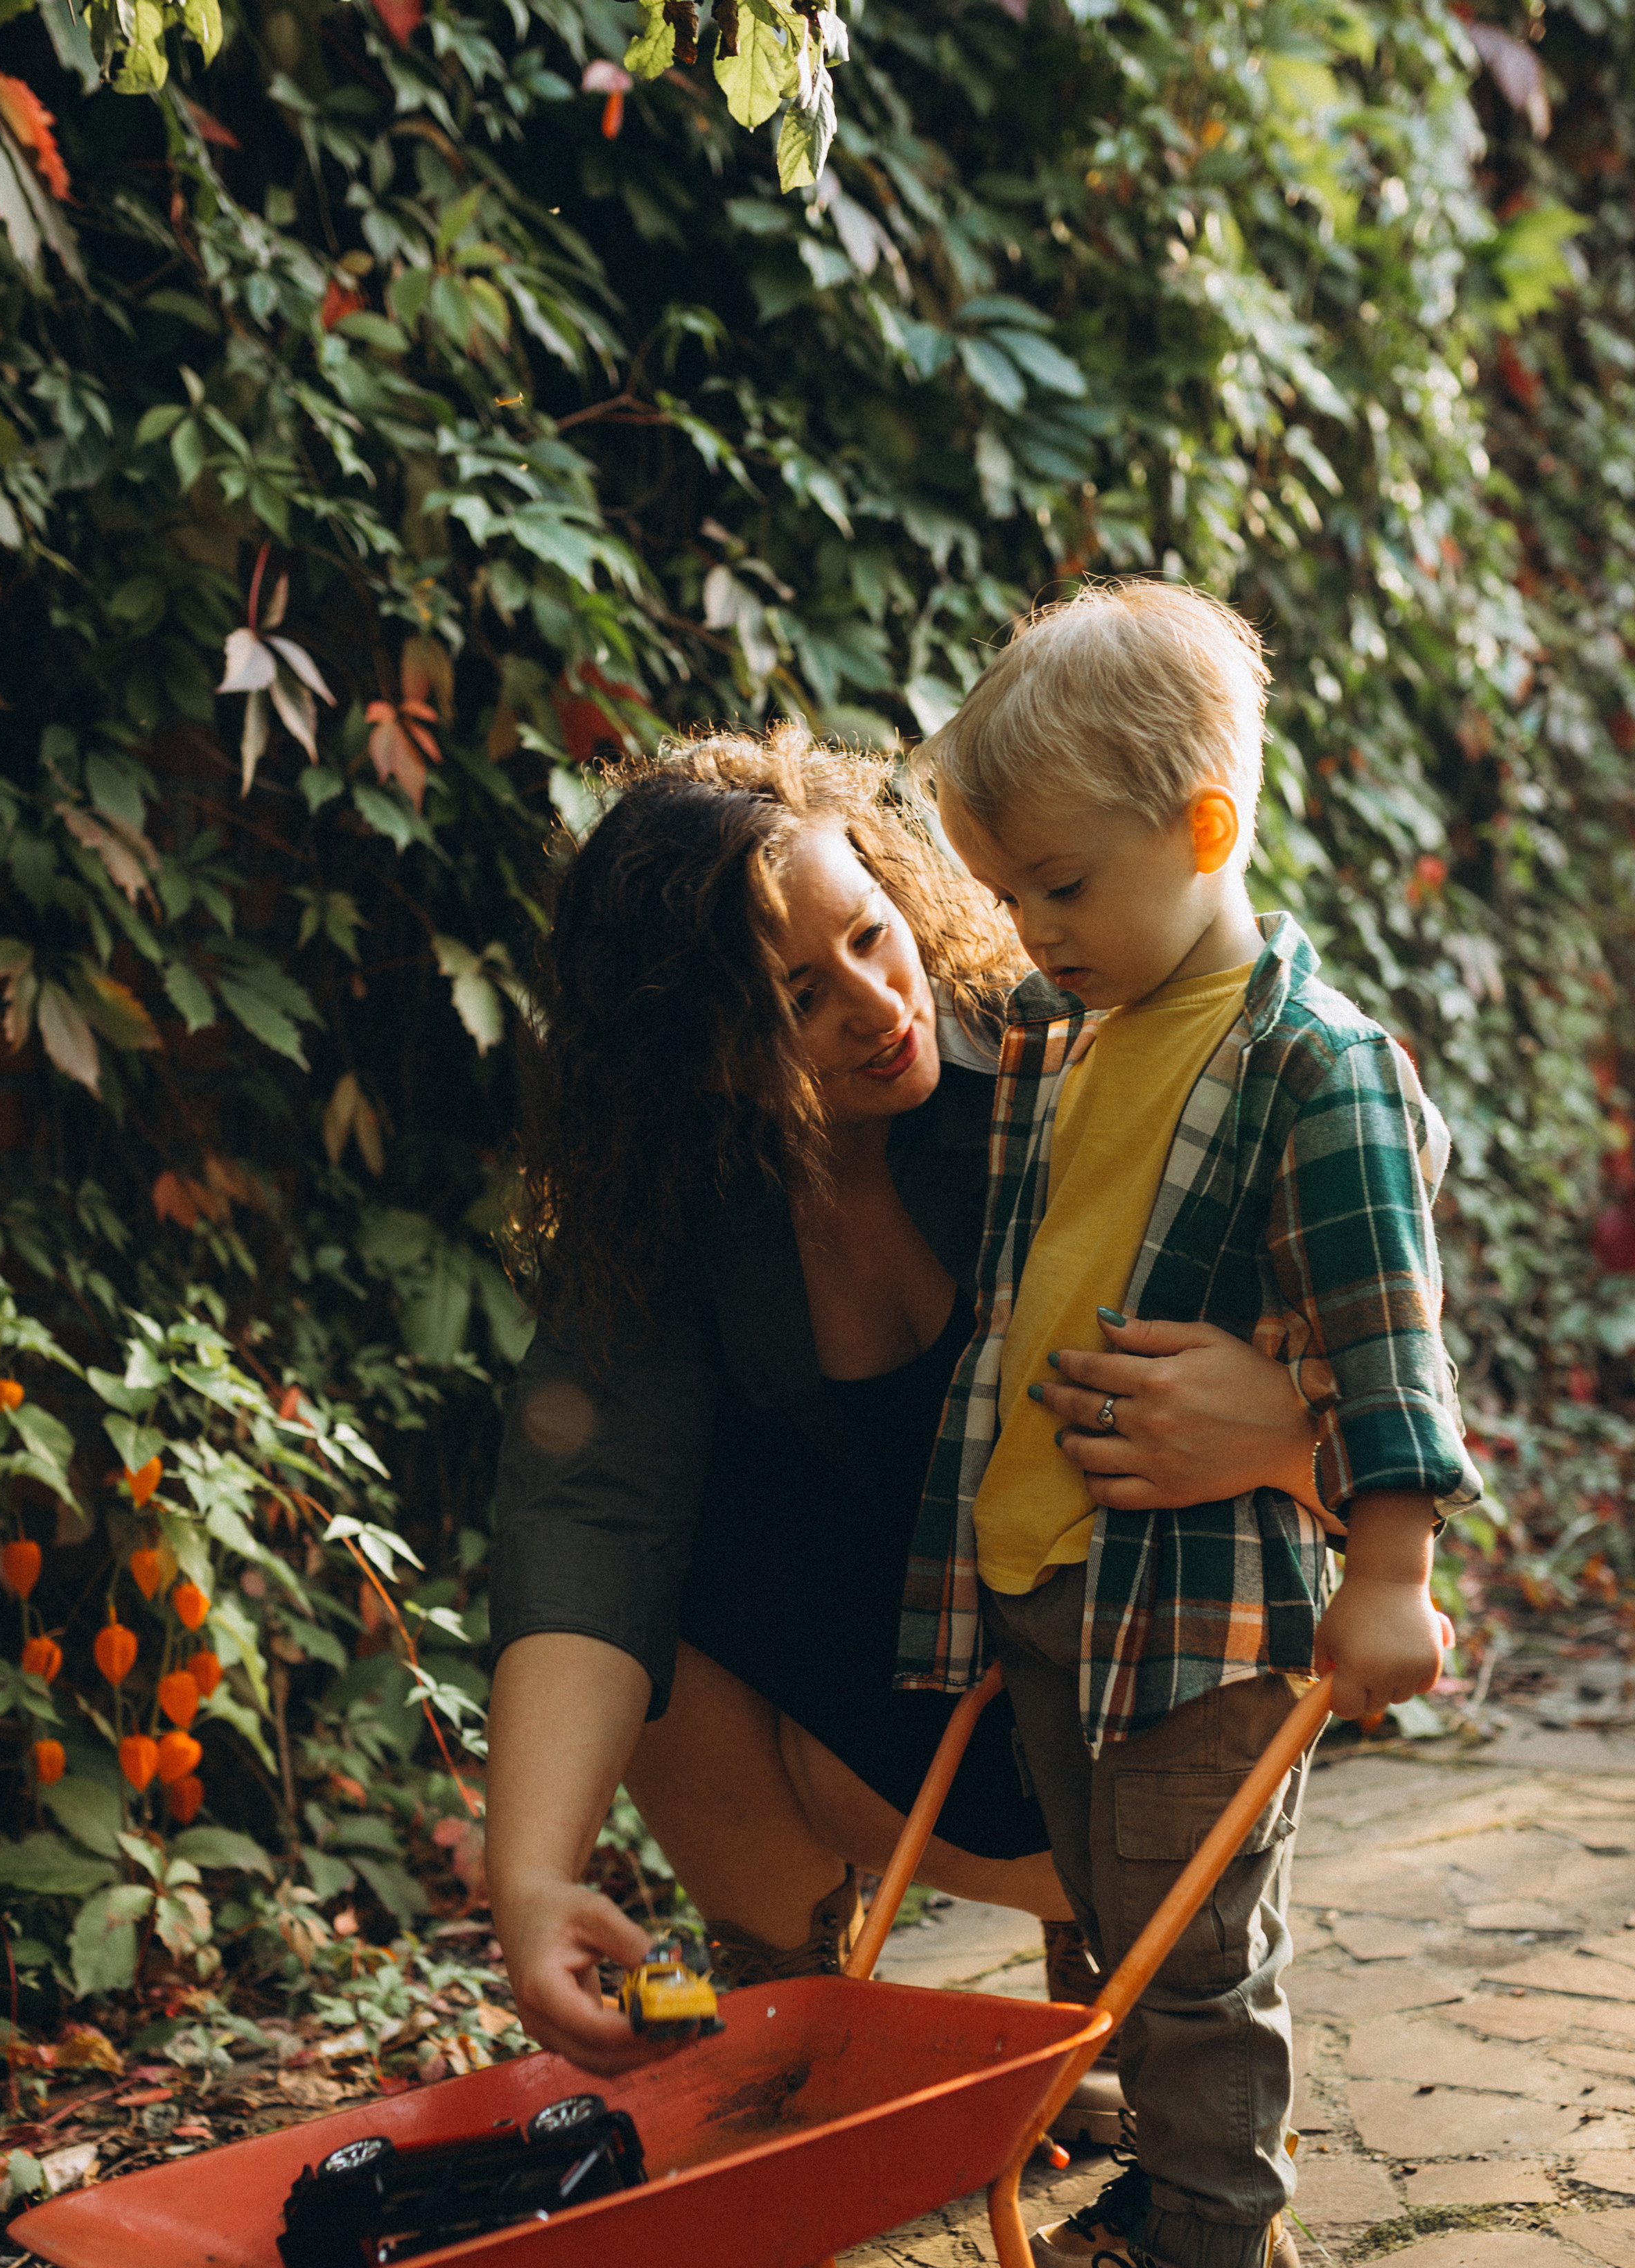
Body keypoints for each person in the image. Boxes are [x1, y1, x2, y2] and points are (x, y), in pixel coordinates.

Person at [484, 727, 1330, 2115]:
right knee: (659, 1587)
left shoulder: (1072, 1060)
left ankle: (1149, 2044)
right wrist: (531, 1879)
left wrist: (1287, 1432)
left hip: (1139, 1694)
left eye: (871, 938)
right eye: (795, 1003)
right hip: (898, 1718)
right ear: (698, 1059)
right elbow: (587, 1512)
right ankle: (789, 2031)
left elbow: (1374, 1306)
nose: (876, 1009)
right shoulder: (673, 1205)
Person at [902, 580, 1480, 2268]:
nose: (1031, 934)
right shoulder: (1075, 1050)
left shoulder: (1315, 1061)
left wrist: (1388, 1573)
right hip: (1059, 1591)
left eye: (1061, 887)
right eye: (1012, 895)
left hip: (1204, 1618)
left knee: (1197, 1953)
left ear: (1205, 831)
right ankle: (1183, 2214)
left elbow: (1388, 1332)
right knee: (1109, 1950)